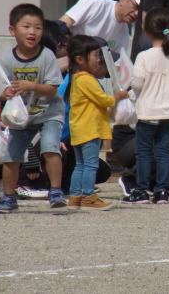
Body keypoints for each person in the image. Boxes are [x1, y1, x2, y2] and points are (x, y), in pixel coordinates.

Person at [0, 4, 67, 213]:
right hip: (21, 117)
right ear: (12, 30)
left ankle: (56, 191)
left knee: (50, 147)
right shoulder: (6, 59)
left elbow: (52, 89)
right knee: (11, 156)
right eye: (26, 26)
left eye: (38, 27)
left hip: (49, 113)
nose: (32, 32)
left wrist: (31, 86)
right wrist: (4, 94)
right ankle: (8, 197)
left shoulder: (47, 57)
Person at [123, 7, 169, 205]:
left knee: (144, 153)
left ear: (147, 32)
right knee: (164, 152)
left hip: (148, 112)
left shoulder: (144, 56)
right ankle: (162, 191)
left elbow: (138, 84)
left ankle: (141, 190)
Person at [65, 35, 128, 211]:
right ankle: (88, 196)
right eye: (95, 56)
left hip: (79, 129)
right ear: (80, 59)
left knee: (80, 165)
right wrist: (119, 95)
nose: (98, 60)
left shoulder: (77, 78)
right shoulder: (86, 79)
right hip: (90, 129)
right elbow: (104, 100)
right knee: (91, 165)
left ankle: (75, 196)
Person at [59, 0, 141, 54]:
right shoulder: (97, 3)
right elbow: (62, 24)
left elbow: (117, 63)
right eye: (135, 6)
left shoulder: (124, 31)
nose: (137, 13)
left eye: (141, 11)